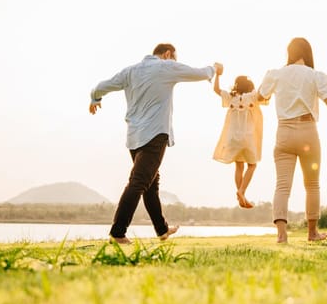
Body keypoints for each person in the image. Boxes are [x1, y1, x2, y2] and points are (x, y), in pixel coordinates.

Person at [89, 43, 222, 244]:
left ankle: (161, 229)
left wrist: (95, 98)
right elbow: (198, 73)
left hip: (134, 137)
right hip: (155, 134)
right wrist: (215, 69)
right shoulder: (166, 66)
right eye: (174, 59)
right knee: (139, 181)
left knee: (150, 184)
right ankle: (118, 232)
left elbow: (100, 86)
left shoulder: (129, 71)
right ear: (168, 54)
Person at [257, 37, 327, 243]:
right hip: (308, 132)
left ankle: (281, 236)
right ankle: (312, 233)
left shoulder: (276, 74)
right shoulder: (316, 76)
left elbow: (260, 96)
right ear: (307, 53)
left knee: (282, 186)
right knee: (312, 185)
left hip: (283, 132)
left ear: (290, 53)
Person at [211, 71, 269, 209]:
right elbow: (264, 92)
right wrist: (267, 77)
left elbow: (216, 89)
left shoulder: (231, 97)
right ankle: (242, 191)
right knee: (252, 165)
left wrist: (218, 75)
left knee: (239, 166)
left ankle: (241, 197)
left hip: (233, 138)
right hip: (248, 138)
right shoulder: (252, 96)